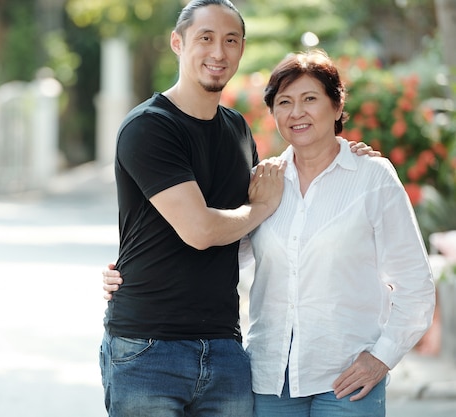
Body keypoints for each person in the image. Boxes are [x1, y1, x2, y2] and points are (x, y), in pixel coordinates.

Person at [104, 49, 435, 417]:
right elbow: (223, 247)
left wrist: (382, 357)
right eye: (284, 102)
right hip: (269, 380)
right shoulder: (265, 180)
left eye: (310, 99)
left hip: (346, 379)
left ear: (337, 106)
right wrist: (130, 271)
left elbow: (415, 284)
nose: (297, 113)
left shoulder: (373, 178)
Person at [100, 1, 285, 415]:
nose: (219, 52)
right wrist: (261, 207)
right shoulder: (148, 126)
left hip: (224, 348)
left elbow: (251, 233)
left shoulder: (238, 129)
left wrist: (349, 157)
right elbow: (201, 230)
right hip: (148, 349)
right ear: (177, 43)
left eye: (231, 41)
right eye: (206, 38)